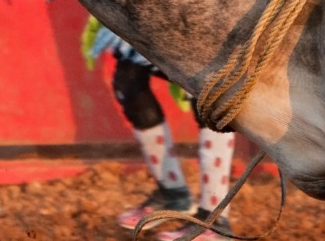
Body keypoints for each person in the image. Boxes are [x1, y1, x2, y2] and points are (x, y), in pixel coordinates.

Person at [82, 17, 237, 241]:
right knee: (129, 82)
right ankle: (173, 194)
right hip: (144, 6)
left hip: (199, 7)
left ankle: (214, 221)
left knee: (206, 93)